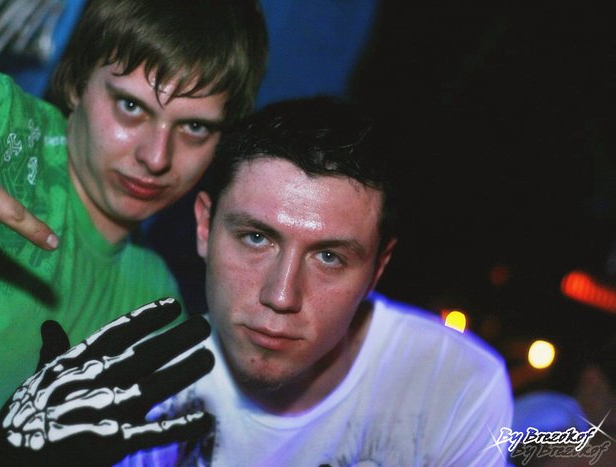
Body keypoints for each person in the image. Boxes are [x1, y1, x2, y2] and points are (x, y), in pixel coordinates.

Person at [0, 0, 268, 465]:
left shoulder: (156, 308)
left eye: (195, 127)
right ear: (78, 82)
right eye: (130, 106)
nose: (156, 157)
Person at [124, 96, 514, 466]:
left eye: (329, 257)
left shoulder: (453, 385)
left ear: (378, 267)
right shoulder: (136, 384)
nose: (281, 295)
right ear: (205, 227)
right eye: (256, 238)